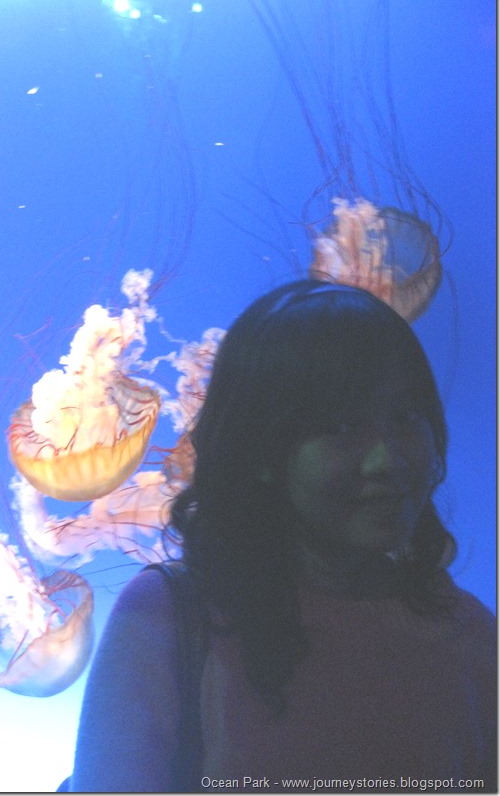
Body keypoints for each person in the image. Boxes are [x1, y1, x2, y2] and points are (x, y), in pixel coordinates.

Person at [70, 280, 496, 793]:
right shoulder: (166, 620)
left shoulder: (470, 633)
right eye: (340, 427)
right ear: (261, 450)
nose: (386, 459)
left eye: (406, 416)